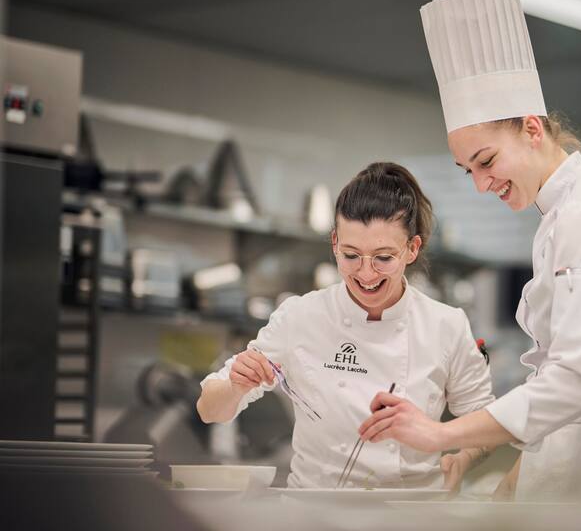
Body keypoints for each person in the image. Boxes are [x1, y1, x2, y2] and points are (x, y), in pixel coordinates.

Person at [358, 0, 581, 505]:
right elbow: (562, 390)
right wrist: (495, 464)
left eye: (487, 161)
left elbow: (575, 381)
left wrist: (443, 435)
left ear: (532, 129)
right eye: (467, 170)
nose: (480, 184)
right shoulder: (559, 215)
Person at [197, 162, 494, 490]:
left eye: (383, 258)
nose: (366, 274)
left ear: (412, 249)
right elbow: (209, 409)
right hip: (314, 510)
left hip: (408, 510)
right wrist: (236, 386)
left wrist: (462, 460)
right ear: (335, 243)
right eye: (351, 255)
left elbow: (486, 425)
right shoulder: (300, 316)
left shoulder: (446, 325)